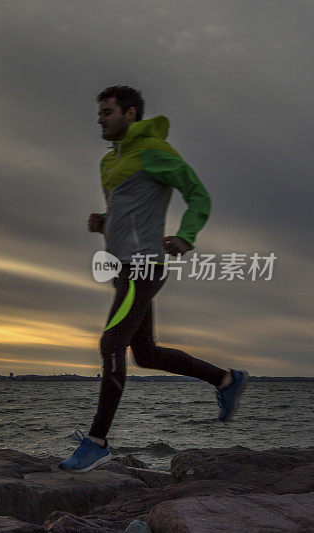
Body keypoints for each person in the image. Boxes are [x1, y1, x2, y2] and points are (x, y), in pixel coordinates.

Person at [59, 86, 249, 473]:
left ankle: (97, 442)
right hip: (123, 267)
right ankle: (227, 380)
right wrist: (105, 223)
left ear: (131, 114)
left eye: (108, 111)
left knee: (111, 341)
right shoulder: (107, 163)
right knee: (145, 354)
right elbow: (132, 212)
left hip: (145, 267)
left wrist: (186, 236)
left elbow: (199, 195)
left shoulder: (154, 152)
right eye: (99, 112)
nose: (100, 118)